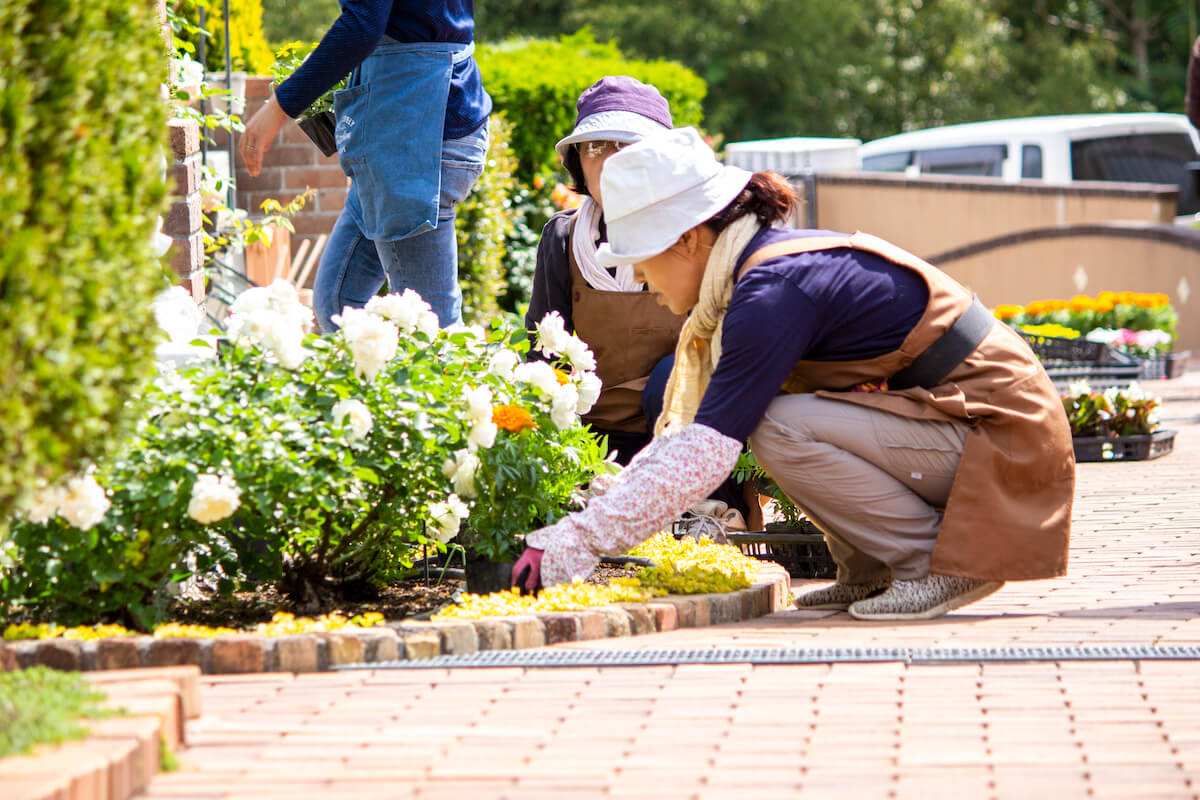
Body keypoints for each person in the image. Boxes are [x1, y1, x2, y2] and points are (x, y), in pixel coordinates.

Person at [511, 127, 1074, 621]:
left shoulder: (770, 292)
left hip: (1002, 435)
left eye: (640, 257)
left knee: (778, 426)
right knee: (783, 421)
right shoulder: (756, 275)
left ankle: (936, 563)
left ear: (686, 241)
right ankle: (873, 568)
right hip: (962, 425)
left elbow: (705, 449)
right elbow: (685, 440)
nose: (636, 274)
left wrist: (575, 542)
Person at [525, 76, 756, 531]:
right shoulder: (564, 238)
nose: (609, 161)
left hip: (683, 440)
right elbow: (543, 352)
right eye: (594, 147)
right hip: (596, 440)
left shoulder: (696, 235)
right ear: (576, 160)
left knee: (674, 375)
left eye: (624, 145)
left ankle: (705, 510)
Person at [239, 1, 492, 331]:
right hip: (408, 126)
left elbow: (363, 26)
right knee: (338, 304)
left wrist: (279, 107)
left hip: (416, 132)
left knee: (433, 331)